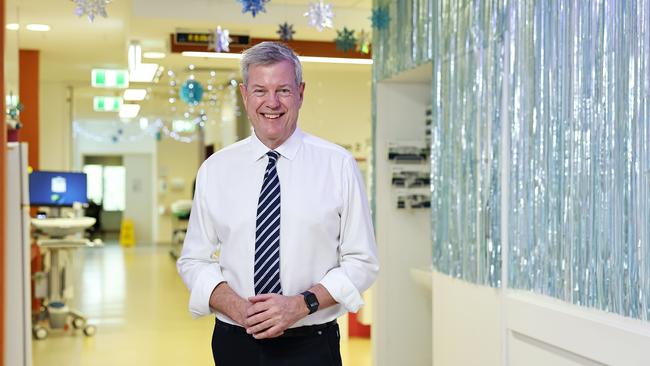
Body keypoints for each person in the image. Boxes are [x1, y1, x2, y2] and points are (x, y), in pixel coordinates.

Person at [177, 41, 379, 366]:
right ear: (245, 95)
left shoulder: (338, 165)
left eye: (283, 90)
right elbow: (193, 261)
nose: (272, 103)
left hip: (312, 344)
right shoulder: (216, 169)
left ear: (300, 92)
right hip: (235, 342)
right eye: (260, 91)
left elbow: (362, 262)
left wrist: (301, 305)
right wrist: (238, 308)